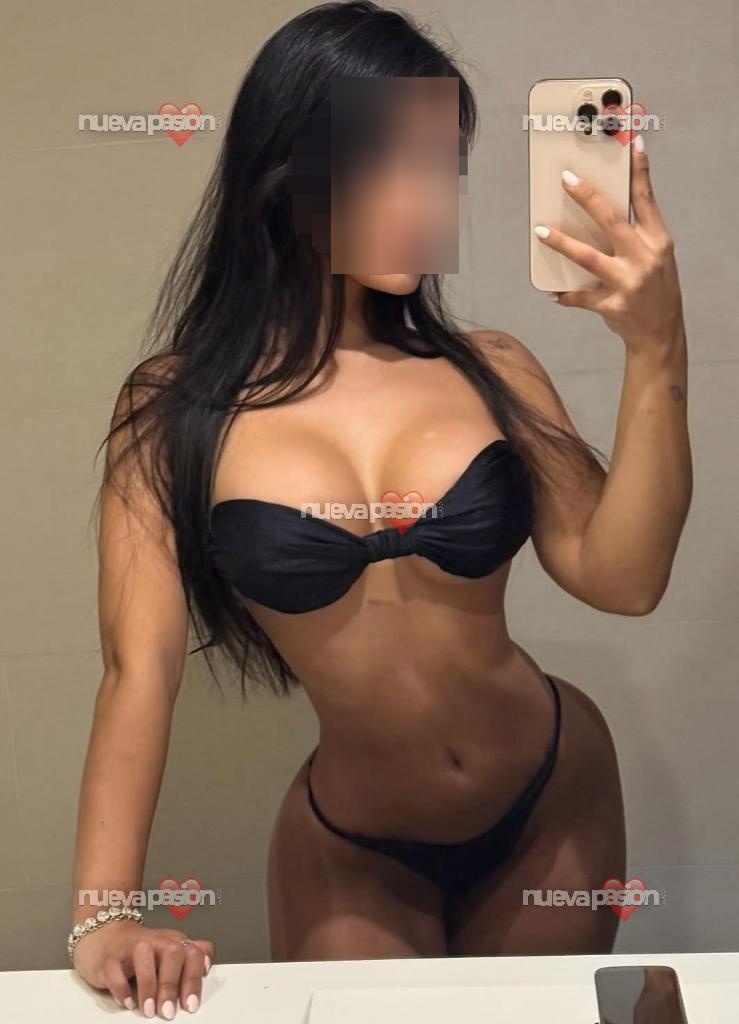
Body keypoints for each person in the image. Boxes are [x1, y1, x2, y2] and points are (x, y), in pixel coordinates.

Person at [70, 1, 691, 1017]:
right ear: (288, 166)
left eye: (442, 164)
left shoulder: (491, 367)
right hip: (354, 846)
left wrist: (655, 347)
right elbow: (138, 671)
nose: (424, 197)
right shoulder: (172, 409)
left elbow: (623, 581)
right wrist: (103, 915)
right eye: (386, 161)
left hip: (552, 797)